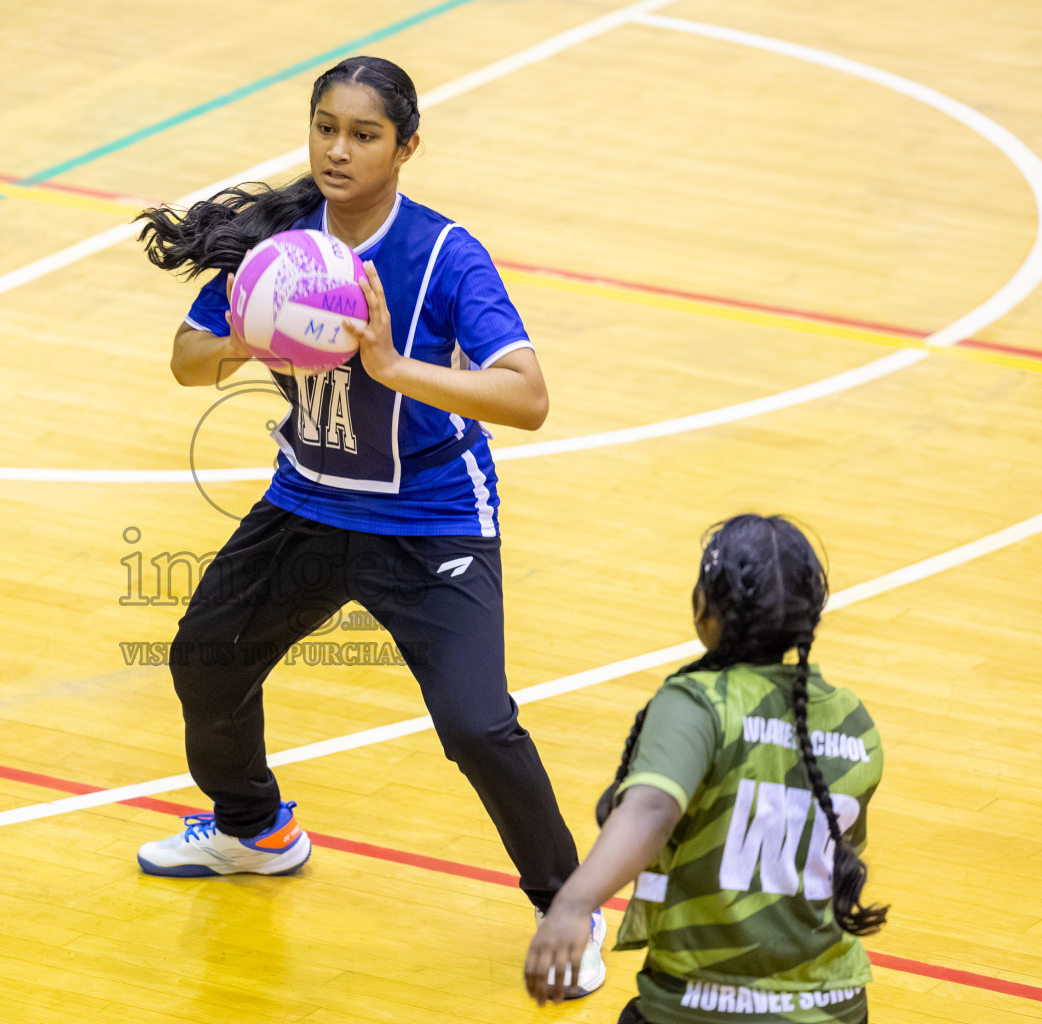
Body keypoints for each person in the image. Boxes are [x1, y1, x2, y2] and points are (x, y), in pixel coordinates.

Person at [131, 55, 605, 992]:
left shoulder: (441, 253)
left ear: (407, 147)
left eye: (364, 134)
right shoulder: (276, 246)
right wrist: (247, 332)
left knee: (477, 725)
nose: (338, 150)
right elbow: (187, 359)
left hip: (430, 520)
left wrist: (392, 367)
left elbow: (529, 397)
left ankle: (568, 908)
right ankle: (255, 830)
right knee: (205, 657)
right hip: (307, 500)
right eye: (325, 128)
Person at [524, 514, 889, 1022]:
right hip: (837, 1003)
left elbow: (652, 809)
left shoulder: (697, 702)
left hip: (703, 1005)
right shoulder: (855, 721)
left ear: (706, 607)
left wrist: (571, 904)